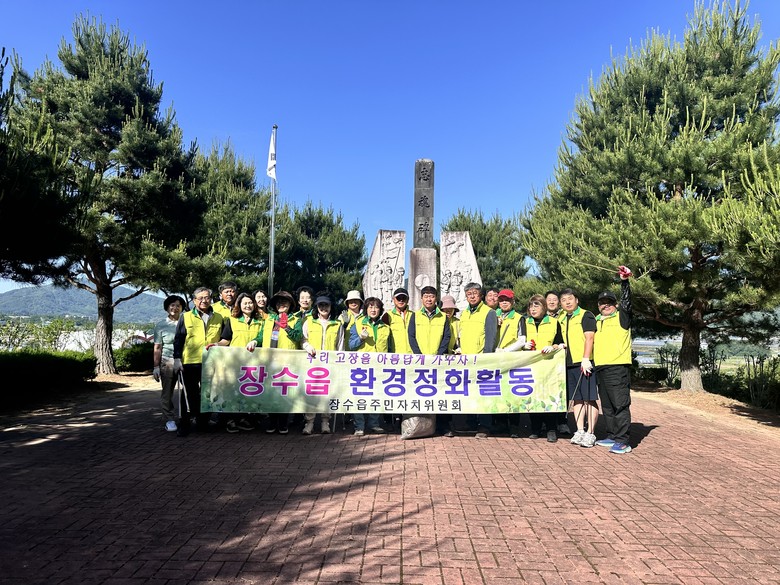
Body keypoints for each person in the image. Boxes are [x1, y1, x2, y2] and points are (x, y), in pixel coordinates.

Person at [246, 290, 303, 434]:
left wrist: (287, 327)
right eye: (278, 302)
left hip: (287, 364)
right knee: (270, 393)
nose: (281, 305)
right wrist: (254, 341)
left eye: (285, 302)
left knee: (285, 394)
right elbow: (261, 336)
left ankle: (283, 423)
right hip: (269, 362)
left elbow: (298, 337)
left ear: (290, 304)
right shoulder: (269, 319)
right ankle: (272, 422)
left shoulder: (296, 320)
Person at [172, 287, 226, 437]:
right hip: (190, 361)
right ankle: (184, 424)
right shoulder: (186, 316)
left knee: (207, 393)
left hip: (211, 361)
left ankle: (203, 423)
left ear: (211, 299)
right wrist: (177, 359)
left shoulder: (219, 317)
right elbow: (179, 339)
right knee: (188, 394)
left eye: (207, 297)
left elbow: (224, 338)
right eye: (200, 298)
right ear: (194, 300)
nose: (204, 301)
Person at [514, 294, 565, 442]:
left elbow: (560, 342)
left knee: (549, 396)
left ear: (544, 307)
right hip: (531, 366)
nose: (533, 309)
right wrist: (523, 345)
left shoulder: (554, 322)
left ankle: (551, 429)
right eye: (531, 306)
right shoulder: (524, 321)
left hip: (549, 366)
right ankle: (535, 428)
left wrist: (553, 347)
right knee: (533, 397)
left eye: (537, 306)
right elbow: (519, 341)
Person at [594, 266, 634, 454]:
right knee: (607, 406)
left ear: (615, 304)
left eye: (609, 302)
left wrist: (624, 282)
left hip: (617, 367)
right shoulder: (596, 320)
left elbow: (627, 303)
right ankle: (611, 435)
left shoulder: (621, 317)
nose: (606, 305)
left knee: (620, 405)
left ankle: (623, 441)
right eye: (602, 303)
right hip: (600, 367)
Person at [455, 282, 497, 438]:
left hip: (481, 360)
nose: (472, 296)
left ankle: (484, 425)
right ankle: (471, 422)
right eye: (469, 294)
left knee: (483, 393)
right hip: (466, 360)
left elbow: (490, 338)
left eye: (475, 293)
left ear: (481, 295)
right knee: (469, 392)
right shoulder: (464, 313)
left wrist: (486, 358)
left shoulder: (489, 312)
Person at [559, 287, 599, 448]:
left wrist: (586, 358)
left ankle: (591, 433)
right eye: (563, 300)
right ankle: (580, 430)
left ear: (576, 300)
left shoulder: (585, 315)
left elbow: (590, 338)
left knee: (589, 398)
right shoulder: (562, 317)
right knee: (577, 398)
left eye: (570, 299)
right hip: (569, 363)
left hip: (584, 363)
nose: (567, 302)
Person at [218, 292, 263, 433]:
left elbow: (263, 338)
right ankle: (231, 420)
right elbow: (226, 340)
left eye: (250, 303)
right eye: (245, 303)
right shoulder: (232, 320)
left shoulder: (261, 321)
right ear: (239, 305)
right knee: (232, 391)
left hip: (253, 364)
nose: (248, 305)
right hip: (234, 363)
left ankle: (244, 419)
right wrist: (216, 345)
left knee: (248, 391)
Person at [348, 297, 392, 435]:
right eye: (370, 307)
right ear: (366, 309)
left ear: (380, 310)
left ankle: (374, 424)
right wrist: (360, 338)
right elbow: (351, 345)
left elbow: (390, 349)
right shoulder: (357, 324)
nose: (373, 310)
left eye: (376, 307)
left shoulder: (386, 328)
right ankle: (359, 426)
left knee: (377, 395)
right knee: (359, 396)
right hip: (361, 367)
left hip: (379, 367)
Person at [301, 295, 344, 435]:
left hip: (330, 365)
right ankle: (309, 423)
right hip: (312, 364)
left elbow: (340, 346)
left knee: (328, 394)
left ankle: (325, 421)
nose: (324, 308)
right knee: (312, 393)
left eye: (326, 305)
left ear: (331, 307)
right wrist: (307, 346)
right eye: (321, 305)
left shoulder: (337, 324)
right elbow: (303, 340)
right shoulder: (309, 322)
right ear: (317, 307)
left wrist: (339, 363)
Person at [152, 294, 187, 432]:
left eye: (178, 305)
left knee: (189, 390)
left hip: (185, 361)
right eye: (172, 305)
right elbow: (157, 347)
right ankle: (169, 419)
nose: (175, 308)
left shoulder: (186, 322)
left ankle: (188, 415)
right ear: (167, 307)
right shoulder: (161, 325)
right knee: (167, 392)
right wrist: (156, 366)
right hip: (167, 361)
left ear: (182, 308)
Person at [386, 287, 412, 354]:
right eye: (398, 298)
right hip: (395, 355)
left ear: (408, 300)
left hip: (412, 355)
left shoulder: (414, 315)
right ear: (393, 299)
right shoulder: (387, 316)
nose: (401, 300)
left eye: (404, 298)